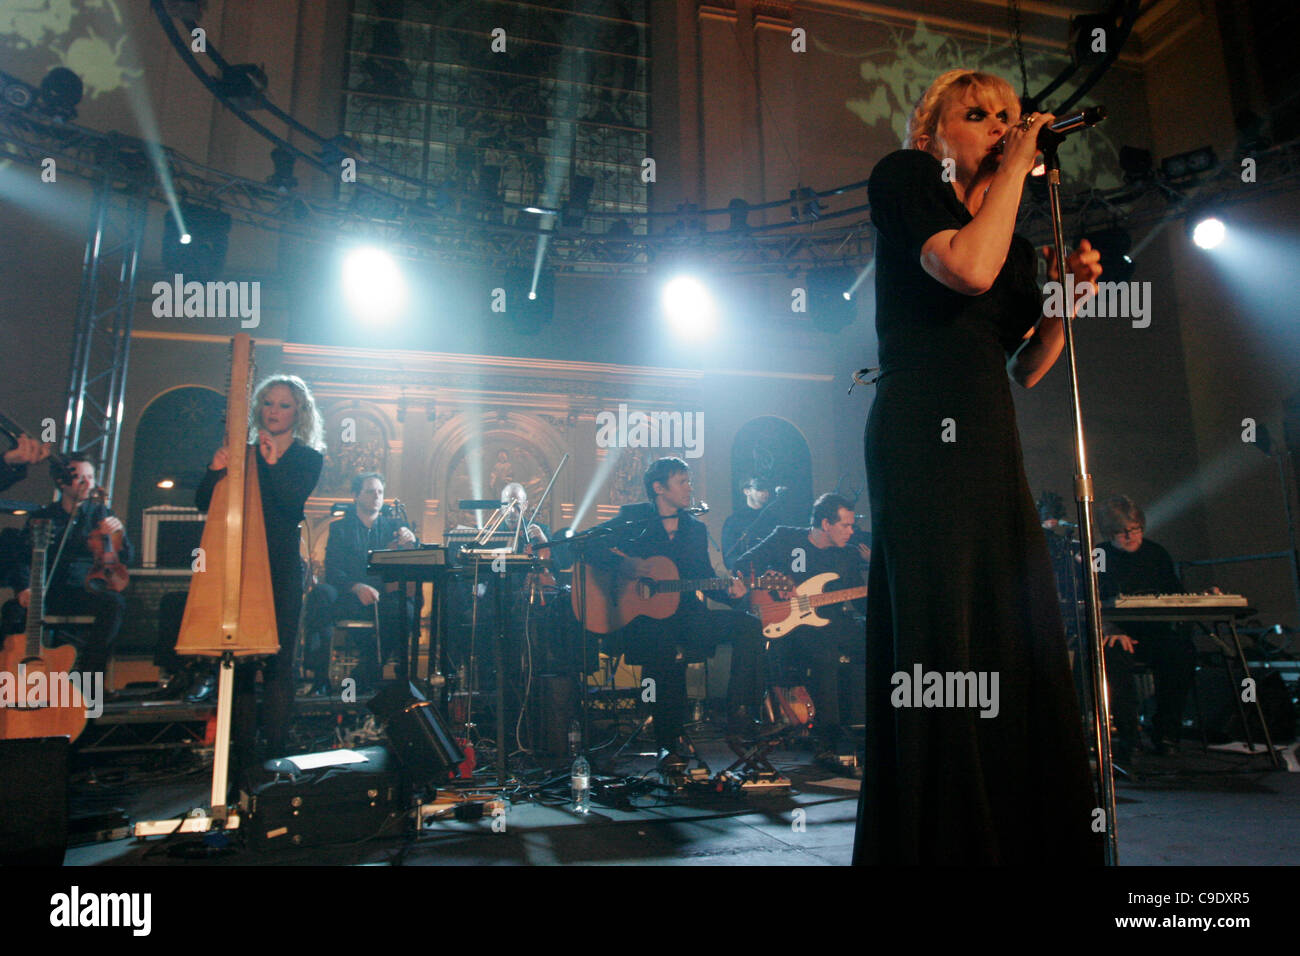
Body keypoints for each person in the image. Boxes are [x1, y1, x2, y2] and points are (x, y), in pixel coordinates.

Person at [858, 68, 1104, 864]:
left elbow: (1027, 369)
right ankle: (937, 839)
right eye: (979, 115)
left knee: (1009, 627)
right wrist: (1017, 165)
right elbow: (965, 268)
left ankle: (1013, 833)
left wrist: (1066, 303)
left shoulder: (1019, 243)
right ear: (931, 135)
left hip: (989, 435)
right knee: (939, 631)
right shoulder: (904, 182)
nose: (1002, 124)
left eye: (1009, 115)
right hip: (920, 428)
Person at [589, 457, 765, 772]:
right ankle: (668, 745)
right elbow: (586, 546)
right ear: (659, 488)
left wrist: (730, 592)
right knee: (664, 650)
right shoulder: (634, 519)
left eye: (689, 481)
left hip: (687, 616)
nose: (690, 488)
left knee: (749, 626)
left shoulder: (695, 530)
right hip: (641, 620)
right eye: (682, 482)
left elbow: (704, 577)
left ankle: (739, 711)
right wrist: (623, 564)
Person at [197, 375, 323, 772]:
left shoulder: (307, 457)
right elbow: (204, 503)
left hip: (281, 565)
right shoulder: (242, 452)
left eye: (284, 405)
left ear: (298, 412)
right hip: (240, 563)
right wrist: (214, 469)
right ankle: (241, 758)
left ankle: (275, 755)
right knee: (242, 660)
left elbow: (288, 501)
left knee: (277, 660)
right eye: (268, 403)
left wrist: (269, 462)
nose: (274, 411)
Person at [734, 493, 869, 773]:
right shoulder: (785, 538)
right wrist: (771, 580)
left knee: (879, 644)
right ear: (825, 523)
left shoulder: (846, 555)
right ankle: (827, 741)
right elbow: (742, 565)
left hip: (831, 622)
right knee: (825, 653)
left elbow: (859, 601)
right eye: (845, 525)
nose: (851, 531)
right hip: (792, 623)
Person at [5, 456, 132, 678]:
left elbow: (127, 558)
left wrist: (118, 532)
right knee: (11, 611)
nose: (87, 483)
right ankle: (10, 677)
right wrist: (25, 587)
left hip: (86, 590)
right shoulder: (43, 517)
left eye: (91, 477)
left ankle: (89, 675)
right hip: (48, 591)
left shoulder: (103, 515)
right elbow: (21, 558)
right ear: (62, 482)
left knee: (115, 604)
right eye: (80, 477)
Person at [1096, 495, 1197, 758]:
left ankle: (1166, 732)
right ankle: (1130, 737)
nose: (1130, 536)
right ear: (1109, 533)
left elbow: (1177, 594)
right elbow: (1090, 599)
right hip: (1117, 633)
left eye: (1135, 530)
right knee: (1114, 657)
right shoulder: (1100, 555)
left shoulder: (1156, 553)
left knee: (1182, 653)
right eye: (1121, 532)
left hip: (1155, 634)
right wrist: (1110, 628)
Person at [303, 472, 418, 693]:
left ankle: (366, 672)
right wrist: (356, 587)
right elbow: (333, 568)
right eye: (370, 491)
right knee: (320, 595)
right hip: (349, 595)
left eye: (380, 492)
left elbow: (412, 556)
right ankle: (320, 677)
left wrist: (412, 539)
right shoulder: (340, 528)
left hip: (382, 599)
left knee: (406, 609)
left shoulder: (394, 526)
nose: (376, 496)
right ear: (356, 495)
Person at [721, 476, 775, 571]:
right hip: (747, 577)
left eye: (767, 489)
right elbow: (729, 556)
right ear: (747, 491)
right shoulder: (733, 521)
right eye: (760, 488)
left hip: (771, 577)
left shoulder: (773, 519)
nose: (765, 492)